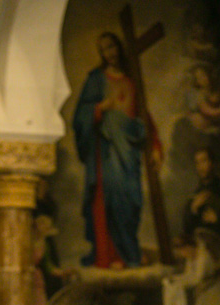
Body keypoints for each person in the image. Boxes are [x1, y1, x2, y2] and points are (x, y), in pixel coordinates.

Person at [73, 31, 161, 269]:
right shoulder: (96, 80)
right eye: (104, 50)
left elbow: (144, 116)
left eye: (112, 46)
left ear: (119, 47)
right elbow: (80, 116)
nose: (110, 53)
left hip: (129, 153)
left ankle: (129, 252)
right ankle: (113, 255)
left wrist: (154, 145)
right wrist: (100, 108)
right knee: (111, 200)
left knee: (132, 201)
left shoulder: (132, 81)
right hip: (108, 153)